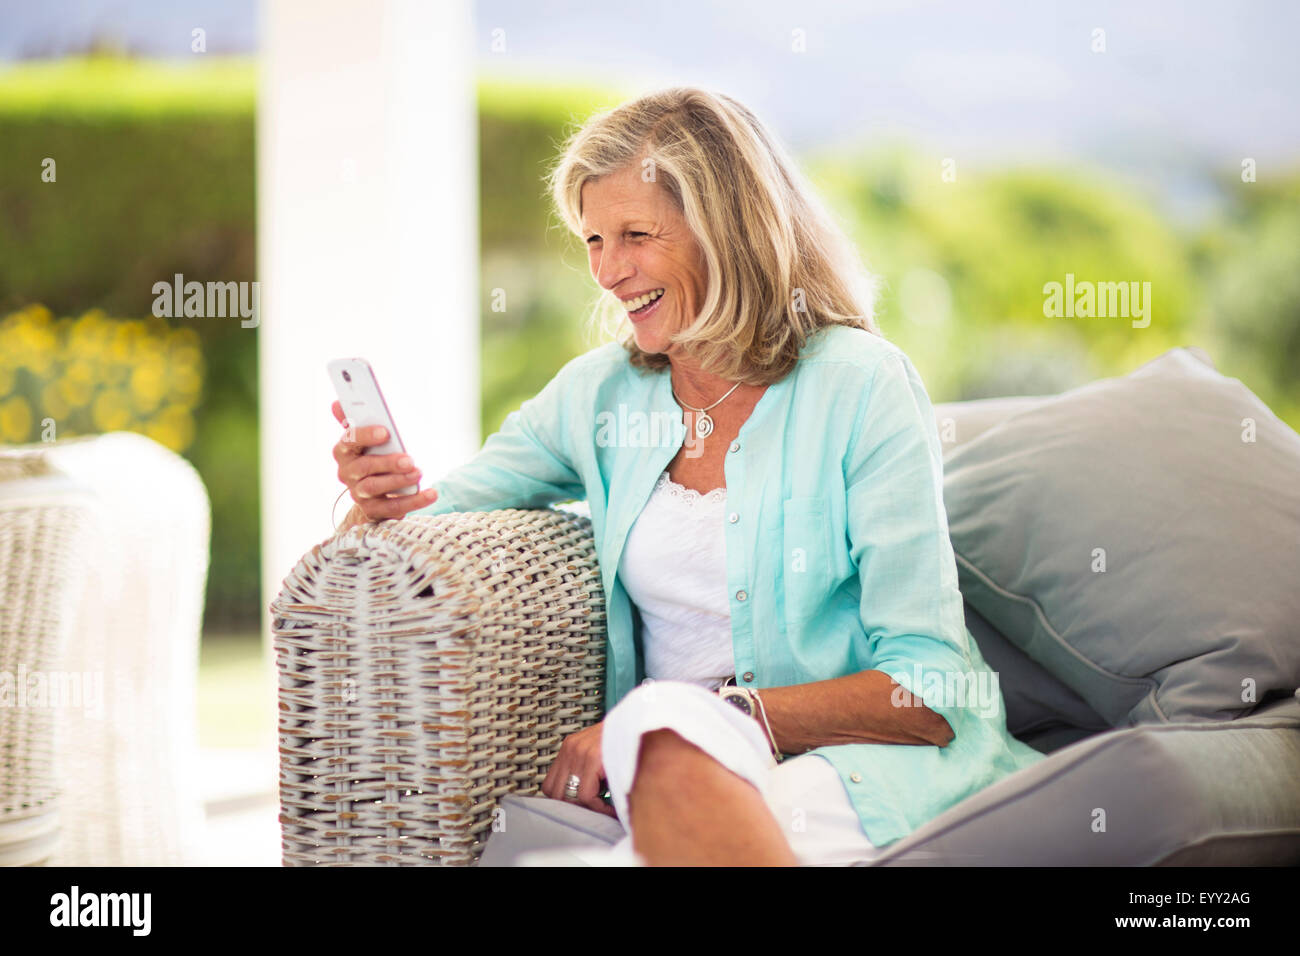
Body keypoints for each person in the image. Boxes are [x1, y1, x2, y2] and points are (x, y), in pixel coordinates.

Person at [330, 87, 1045, 866]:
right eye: (593, 240)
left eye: (636, 235)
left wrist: (714, 713)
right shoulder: (597, 396)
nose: (607, 270)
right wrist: (375, 500)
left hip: (862, 773)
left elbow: (930, 684)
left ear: (727, 231)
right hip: (675, 775)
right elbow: (434, 520)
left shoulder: (862, 384)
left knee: (662, 738)